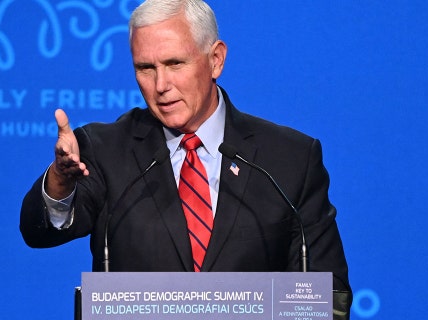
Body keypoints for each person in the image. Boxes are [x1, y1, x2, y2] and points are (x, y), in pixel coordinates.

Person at [20, 0, 352, 317]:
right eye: (145, 68)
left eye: (175, 64)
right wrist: (61, 183)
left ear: (216, 60)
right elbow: (40, 233)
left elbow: (328, 295)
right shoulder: (105, 149)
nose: (161, 85)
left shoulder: (288, 158)